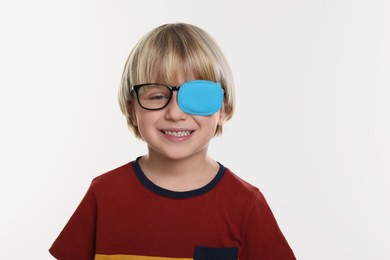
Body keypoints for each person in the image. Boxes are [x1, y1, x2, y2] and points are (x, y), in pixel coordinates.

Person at [49, 23, 296, 260]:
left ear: (224, 109)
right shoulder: (104, 194)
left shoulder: (245, 205)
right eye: (157, 95)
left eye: (197, 96)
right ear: (131, 109)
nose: (175, 113)